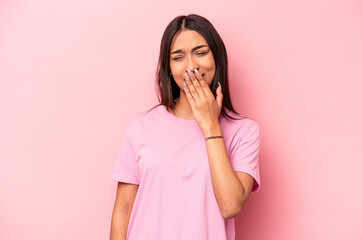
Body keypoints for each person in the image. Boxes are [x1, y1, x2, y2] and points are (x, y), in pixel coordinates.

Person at [109, 14, 261, 240]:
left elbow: (231, 206)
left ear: (217, 58)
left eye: (200, 52)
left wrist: (210, 127)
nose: (191, 66)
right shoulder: (141, 126)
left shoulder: (244, 131)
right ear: (168, 68)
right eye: (178, 57)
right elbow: (122, 210)